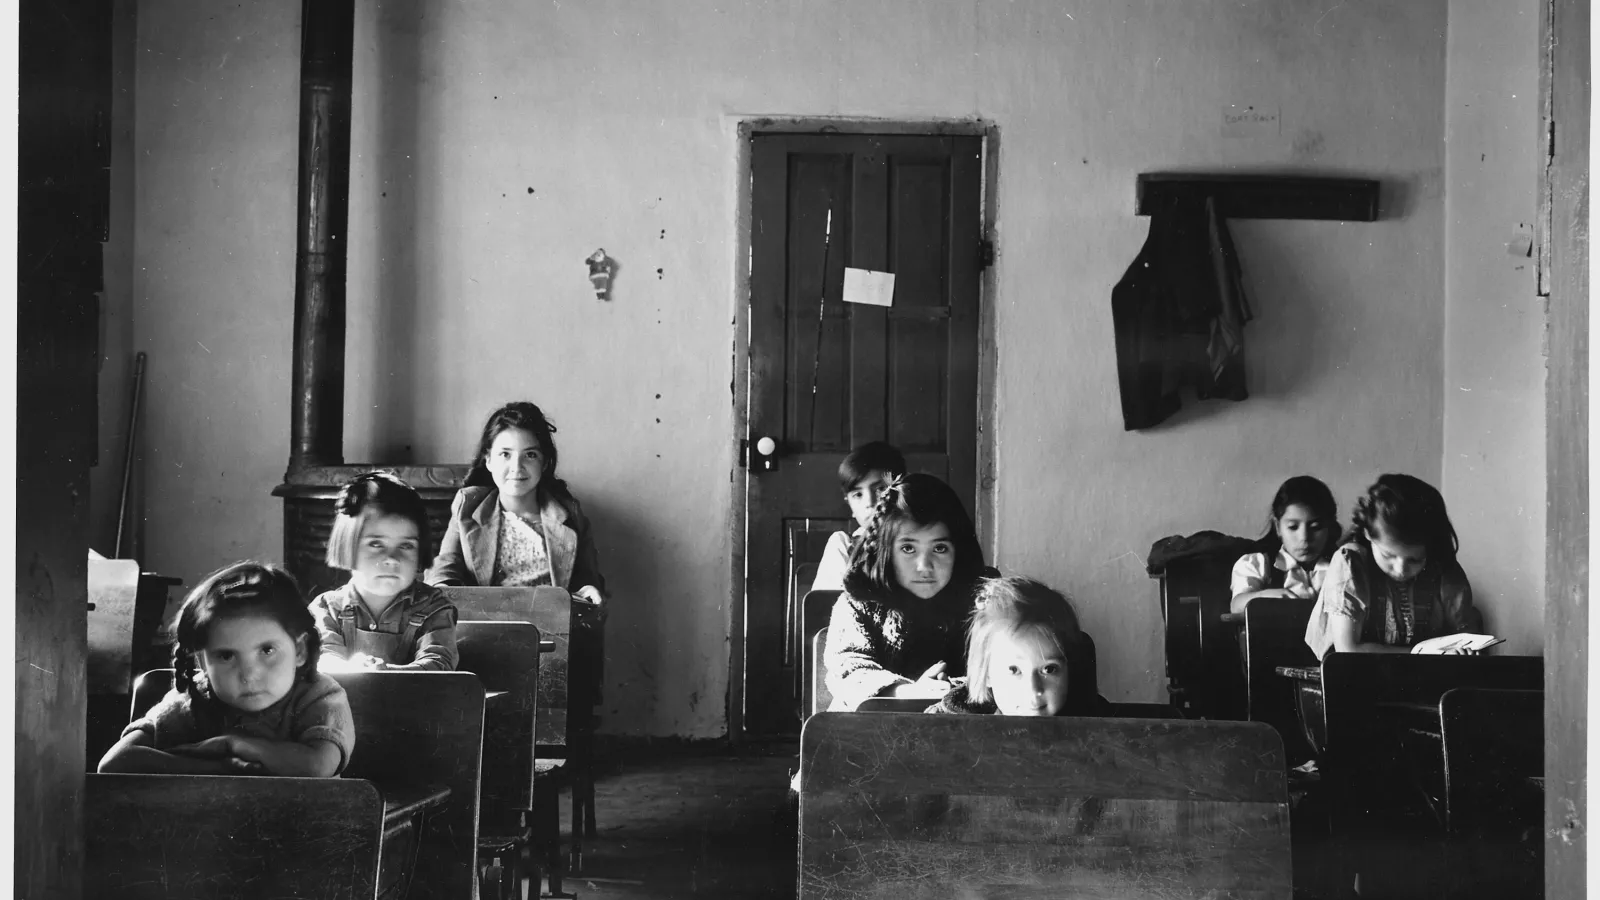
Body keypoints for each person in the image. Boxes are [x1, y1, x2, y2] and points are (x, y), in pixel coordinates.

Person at [97, 561, 353, 776]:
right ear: (202, 663)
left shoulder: (319, 696)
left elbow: (318, 765)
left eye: (267, 651)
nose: (249, 674)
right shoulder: (193, 700)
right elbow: (113, 764)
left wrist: (236, 744)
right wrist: (215, 767)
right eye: (226, 656)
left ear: (300, 651)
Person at [822, 473, 995, 710]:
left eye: (940, 548)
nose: (924, 566)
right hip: (877, 728)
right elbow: (848, 667)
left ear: (959, 550)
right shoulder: (859, 600)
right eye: (908, 548)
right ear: (885, 551)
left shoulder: (984, 598)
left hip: (961, 725)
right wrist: (908, 692)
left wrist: (950, 690)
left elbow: (1005, 664)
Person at [1304, 474, 1481, 657]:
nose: (1401, 569)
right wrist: (1421, 653)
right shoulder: (1351, 563)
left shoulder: (1443, 569)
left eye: (1414, 560)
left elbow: (1470, 638)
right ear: (1368, 534)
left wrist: (1465, 653)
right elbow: (1348, 650)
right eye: (1388, 555)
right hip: (1350, 677)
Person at [310, 473, 458, 671]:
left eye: (406, 546)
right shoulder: (326, 608)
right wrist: (355, 670)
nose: (391, 559)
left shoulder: (435, 608)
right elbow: (324, 661)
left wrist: (387, 674)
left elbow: (438, 663)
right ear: (347, 546)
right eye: (376, 544)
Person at [928, 576, 1109, 716]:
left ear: (1069, 669)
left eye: (1049, 669)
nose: (1033, 690)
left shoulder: (1099, 730)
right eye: (1014, 670)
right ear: (987, 673)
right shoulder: (953, 730)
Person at [1229, 475, 1339, 614]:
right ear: (1278, 526)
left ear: (1329, 526)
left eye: (1316, 527)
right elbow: (1237, 605)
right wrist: (1265, 596)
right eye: (1293, 527)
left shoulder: (1340, 566)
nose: (1304, 538)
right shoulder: (1259, 564)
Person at [810, 442, 907, 592]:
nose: (870, 502)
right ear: (849, 505)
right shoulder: (844, 545)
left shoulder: (921, 540)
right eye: (858, 495)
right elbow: (826, 607)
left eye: (881, 488)